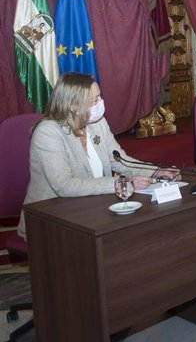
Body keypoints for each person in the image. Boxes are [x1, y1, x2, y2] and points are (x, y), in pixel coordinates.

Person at [17, 72, 178, 239]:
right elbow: (63, 185)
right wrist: (120, 183)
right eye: (94, 100)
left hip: (92, 211)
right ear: (73, 105)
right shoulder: (48, 132)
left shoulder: (98, 123)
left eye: (99, 97)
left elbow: (121, 161)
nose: (100, 103)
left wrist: (157, 172)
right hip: (50, 220)